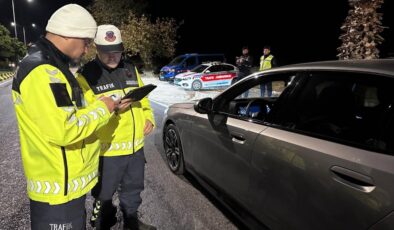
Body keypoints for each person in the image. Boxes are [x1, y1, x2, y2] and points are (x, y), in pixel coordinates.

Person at [11, 4, 119, 230]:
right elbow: (64, 128)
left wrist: (99, 104)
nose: (88, 49)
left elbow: (69, 110)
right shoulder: (43, 71)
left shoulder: (54, 66)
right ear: (71, 34)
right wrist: (103, 110)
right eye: (86, 42)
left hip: (66, 186)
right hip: (58, 191)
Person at [76, 25, 156, 230]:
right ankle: (102, 222)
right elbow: (84, 115)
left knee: (133, 189)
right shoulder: (87, 76)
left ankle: (131, 221)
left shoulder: (130, 68)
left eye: (117, 51)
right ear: (96, 49)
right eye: (106, 52)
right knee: (103, 194)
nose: (113, 57)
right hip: (107, 151)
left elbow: (144, 101)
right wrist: (112, 109)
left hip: (135, 147)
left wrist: (148, 117)